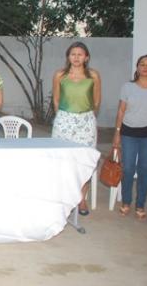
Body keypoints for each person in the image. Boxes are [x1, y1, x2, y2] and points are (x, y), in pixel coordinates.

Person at [113, 54, 147, 221]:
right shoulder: (127, 87)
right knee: (128, 168)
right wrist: (117, 132)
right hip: (128, 133)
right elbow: (121, 111)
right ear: (137, 68)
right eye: (142, 64)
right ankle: (126, 202)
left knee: (144, 170)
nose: (145, 67)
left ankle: (140, 205)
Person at [52, 41, 101, 216]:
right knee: (63, 160)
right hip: (64, 121)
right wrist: (63, 117)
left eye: (80, 54)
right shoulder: (60, 75)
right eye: (73, 54)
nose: (76, 57)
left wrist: (86, 116)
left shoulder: (93, 75)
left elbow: (96, 101)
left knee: (85, 160)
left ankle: (81, 199)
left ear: (86, 57)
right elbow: (56, 99)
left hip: (86, 121)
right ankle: (64, 198)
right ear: (68, 57)